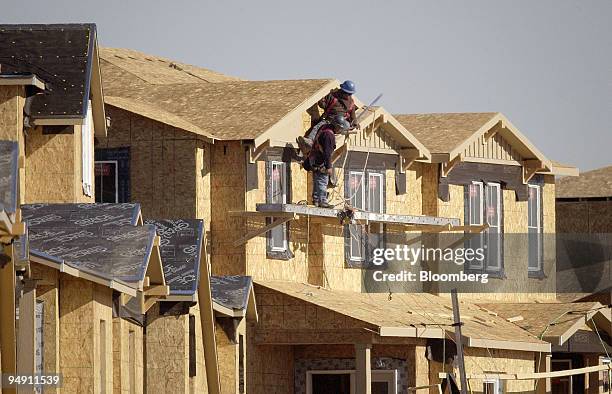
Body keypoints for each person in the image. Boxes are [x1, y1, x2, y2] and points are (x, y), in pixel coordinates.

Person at [297, 80, 358, 155]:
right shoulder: (332, 96)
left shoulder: (351, 102)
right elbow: (323, 105)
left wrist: (355, 123)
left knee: (321, 128)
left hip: (341, 124)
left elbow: (353, 115)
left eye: (350, 94)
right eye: (347, 93)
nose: (348, 95)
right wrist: (321, 101)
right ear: (342, 91)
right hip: (329, 120)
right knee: (318, 127)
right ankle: (309, 141)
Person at [303, 115, 351, 208]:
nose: (340, 131)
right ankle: (322, 201)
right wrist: (329, 166)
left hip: (314, 158)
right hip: (320, 160)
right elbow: (327, 153)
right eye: (340, 129)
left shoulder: (324, 127)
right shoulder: (329, 136)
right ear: (337, 127)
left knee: (317, 180)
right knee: (322, 180)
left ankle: (316, 200)